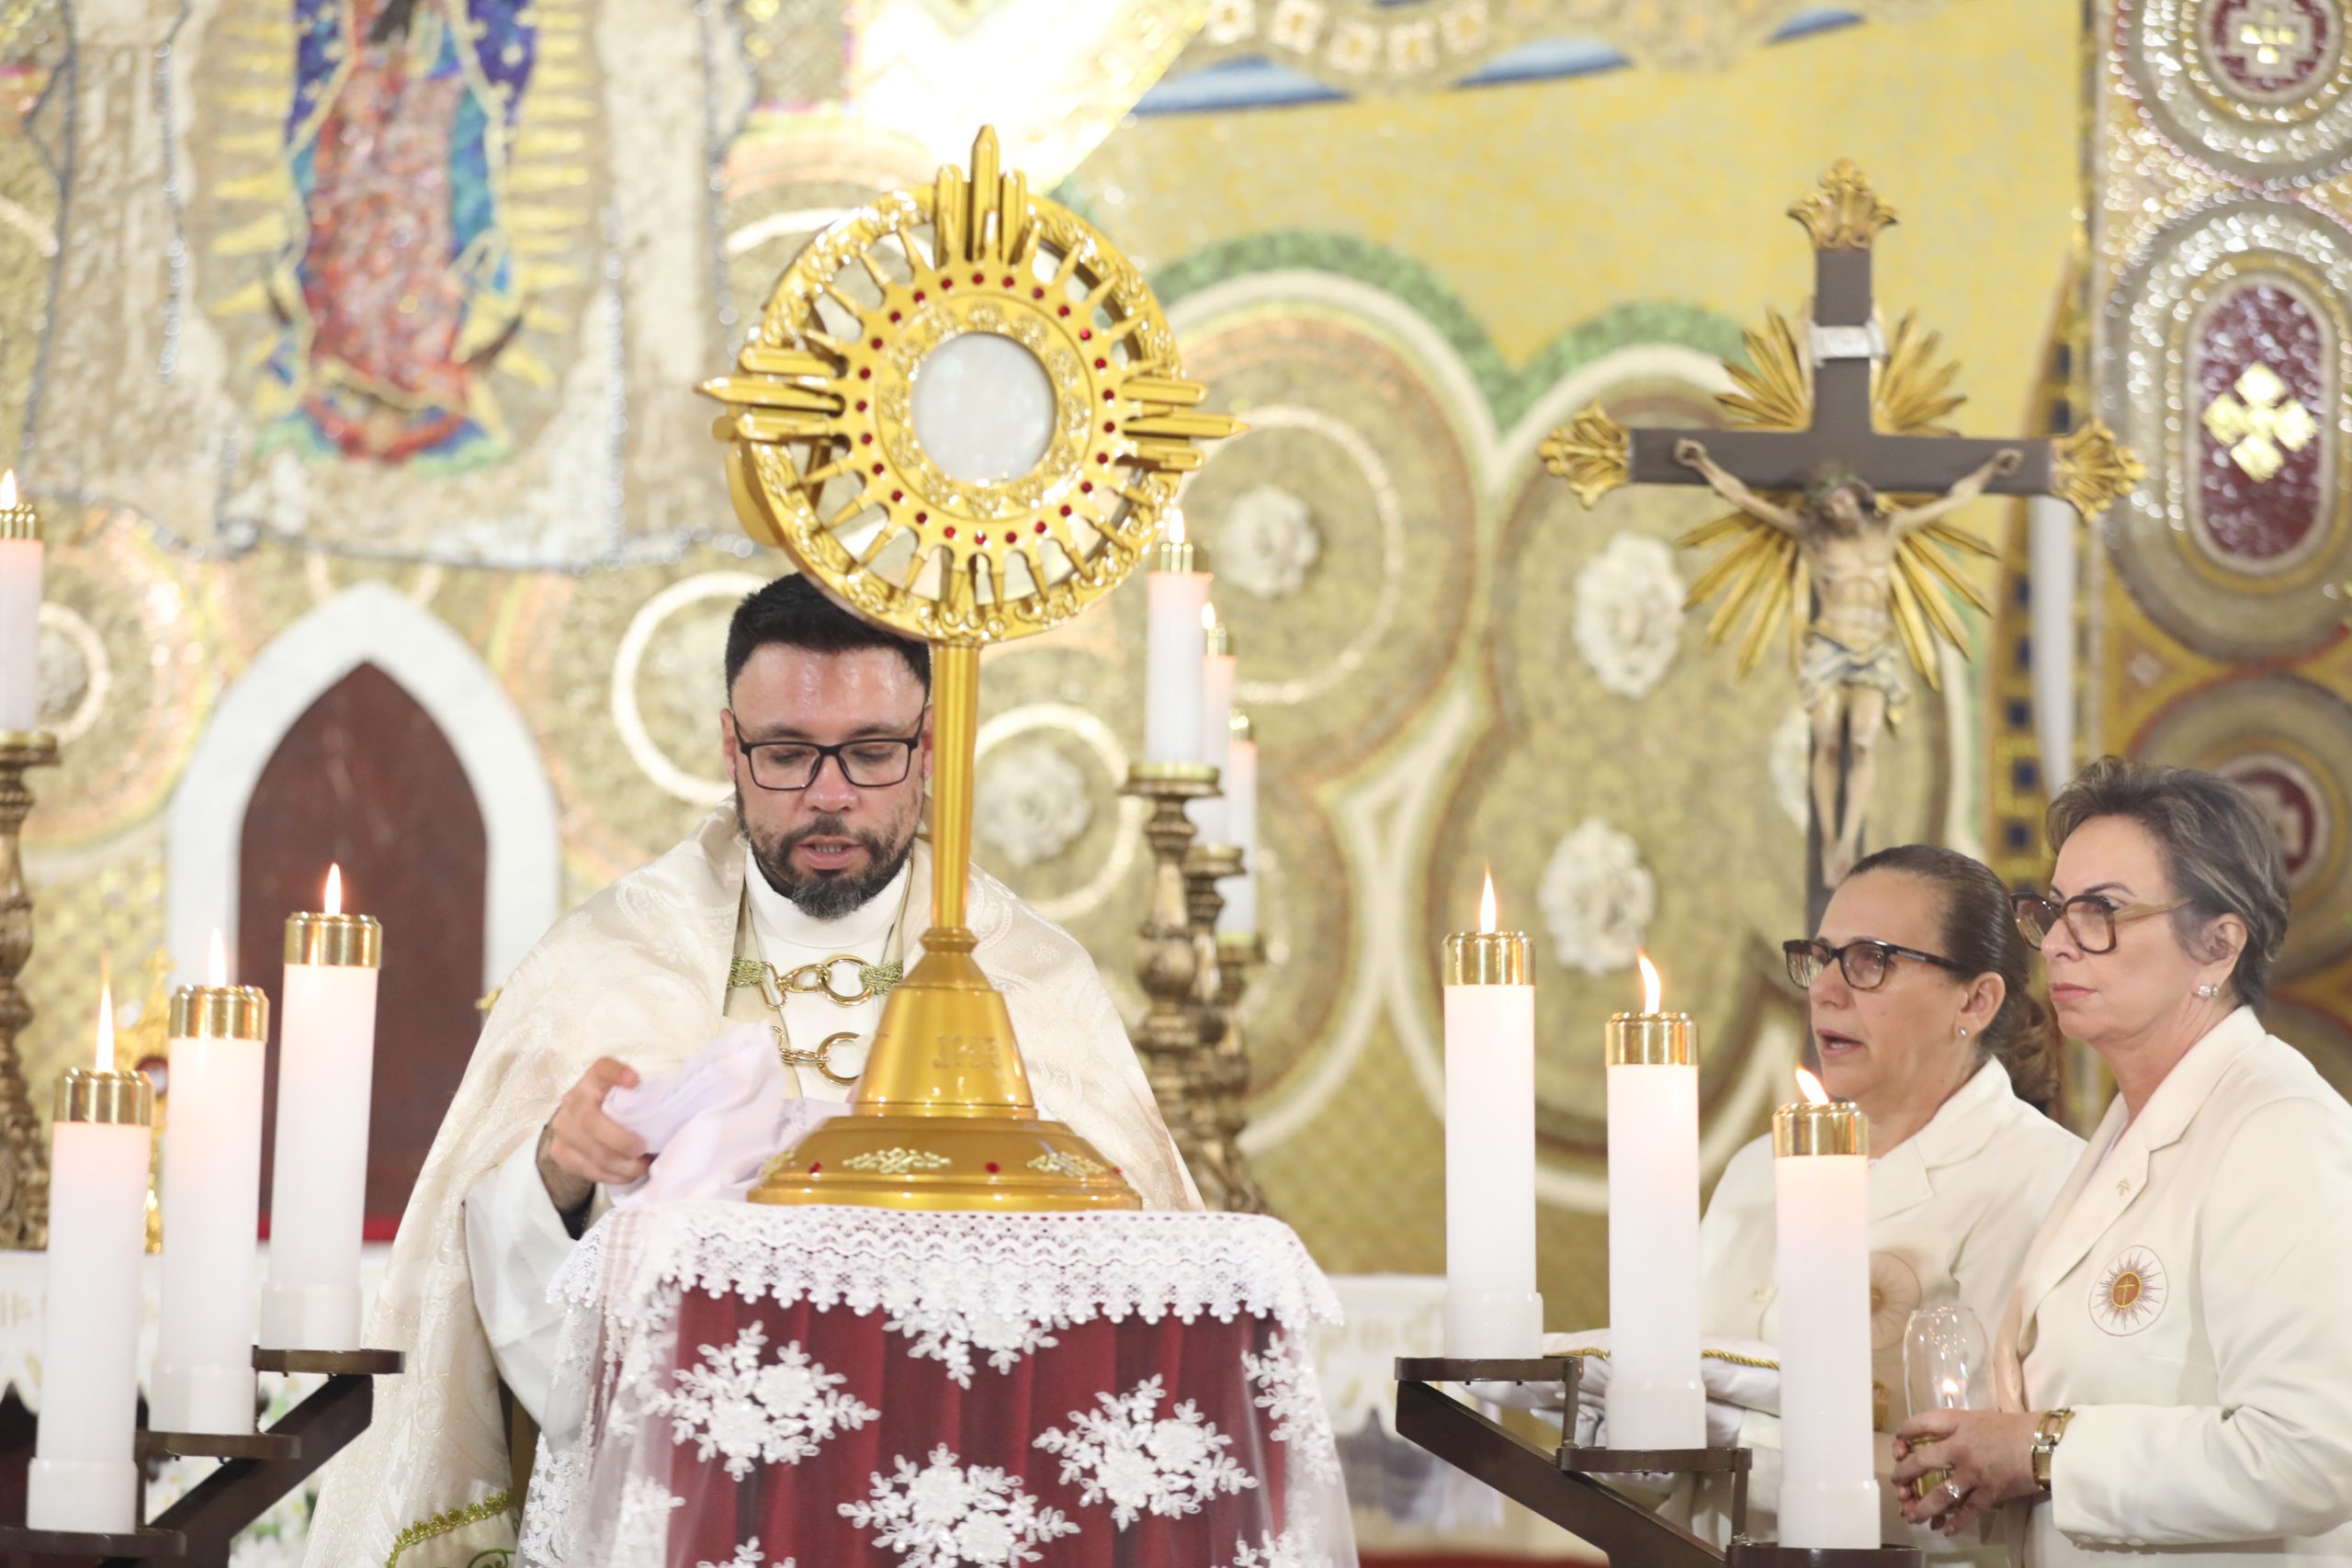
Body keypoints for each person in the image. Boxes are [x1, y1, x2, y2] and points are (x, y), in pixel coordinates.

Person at [302, 573, 1197, 1568]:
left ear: (930, 748)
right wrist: (553, 1172)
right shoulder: (607, 958)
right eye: (786, 754)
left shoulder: (1032, 979)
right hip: (681, 1510)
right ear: (731, 747)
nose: (829, 794)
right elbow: (492, 1285)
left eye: (871, 752)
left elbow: (1134, 1281)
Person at [1894, 756, 2352, 1568]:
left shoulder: (2279, 1128)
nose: (2058, 944)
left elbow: (2314, 1453)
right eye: (2054, 910)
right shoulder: (2126, 1127)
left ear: (2218, 946)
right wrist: (1985, 1454)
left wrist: (2040, 1449)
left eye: (2101, 911)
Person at [1676, 843, 2081, 1559]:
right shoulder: (1756, 1169)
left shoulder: (2043, 1183)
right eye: (1821, 957)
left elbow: (1971, 1490)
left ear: (1975, 1000)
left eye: (1871, 961)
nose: (1826, 991)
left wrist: (1726, 1437)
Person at [1673, 441, 2021, 884]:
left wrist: (1991, 471)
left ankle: (1848, 840)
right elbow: (1744, 498)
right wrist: (1704, 463)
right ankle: (1827, 839)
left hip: (1873, 648)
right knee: (1827, 740)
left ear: (1856, 497)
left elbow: (1951, 500)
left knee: (1861, 741)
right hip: (1830, 645)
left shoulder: (1888, 529)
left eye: (1842, 501)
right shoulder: (1813, 537)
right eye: (1829, 507)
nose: (1838, 511)